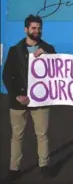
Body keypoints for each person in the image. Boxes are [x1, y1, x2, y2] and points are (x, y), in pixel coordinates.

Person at [3, 14, 56, 181]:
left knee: (42, 134)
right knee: (17, 136)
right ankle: (14, 168)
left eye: (39, 28)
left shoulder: (49, 48)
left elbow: (58, 70)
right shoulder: (14, 50)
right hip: (19, 101)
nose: (37, 31)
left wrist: (47, 54)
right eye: (33, 28)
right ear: (26, 29)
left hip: (41, 100)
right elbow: (7, 76)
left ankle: (44, 166)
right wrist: (17, 95)